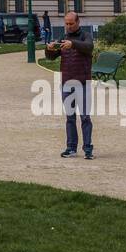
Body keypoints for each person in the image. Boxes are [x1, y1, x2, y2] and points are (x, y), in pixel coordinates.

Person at [47, 11, 95, 159]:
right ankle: (71, 148)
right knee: (70, 117)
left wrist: (73, 44)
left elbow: (88, 47)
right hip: (66, 83)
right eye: (66, 23)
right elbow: (51, 57)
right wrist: (49, 49)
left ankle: (88, 149)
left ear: (78, 22)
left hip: (83, 83)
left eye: (71, 23)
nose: (68, 26)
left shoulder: (85, 36)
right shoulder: (63, 37)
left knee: (85, 117)